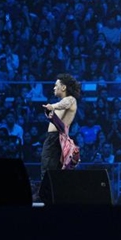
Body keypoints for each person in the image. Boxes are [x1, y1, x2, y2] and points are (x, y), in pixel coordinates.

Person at [39, 73, 80, 204]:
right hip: (53, 139)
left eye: (56, 86)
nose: (53, 88)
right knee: (51, 173)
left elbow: (65, 103)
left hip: (56, 140)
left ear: (63, 87)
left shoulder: (70, 100)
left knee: (49, 173)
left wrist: (53, 106)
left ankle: (52, 203)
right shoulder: (64, 101)